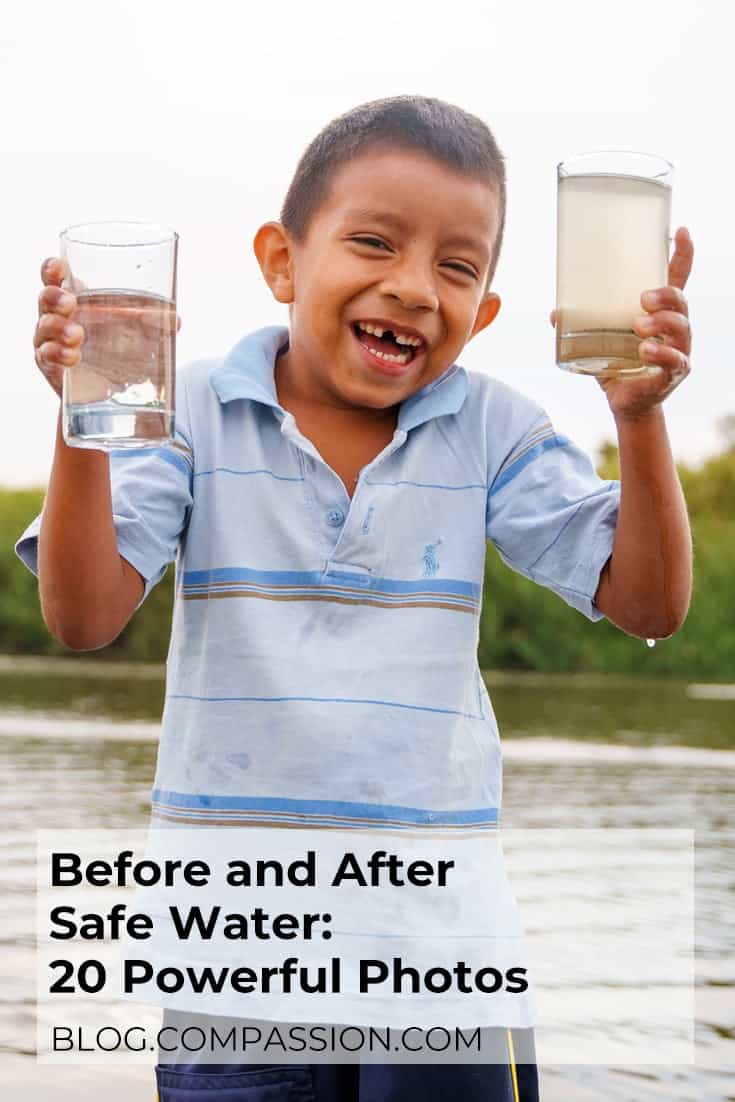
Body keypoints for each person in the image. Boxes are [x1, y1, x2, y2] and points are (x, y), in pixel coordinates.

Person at [19, 95, 693, 1101]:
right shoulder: (195, 410)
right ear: (282, 261)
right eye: (374, 241)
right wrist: (82, 420)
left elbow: (646, 603)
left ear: (488, 313)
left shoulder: (491, 429)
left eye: (457, 267)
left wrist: (639, 422)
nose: (415, 286)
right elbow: (82, 617)